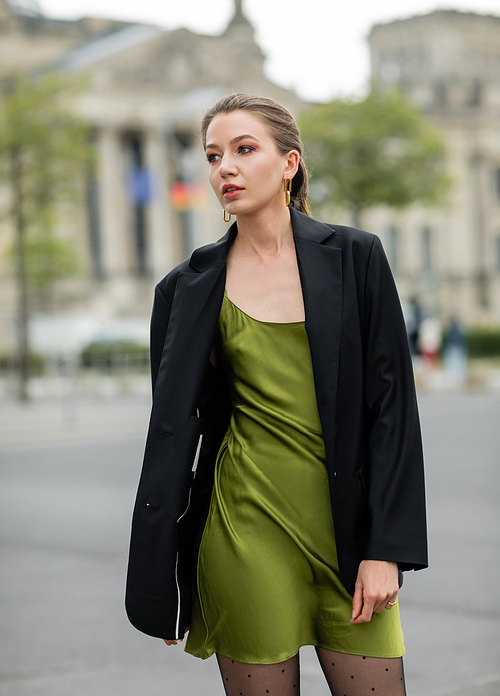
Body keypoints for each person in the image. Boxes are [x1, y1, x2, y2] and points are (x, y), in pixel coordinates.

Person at [125, 93, 427, 696]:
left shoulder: (356, 258)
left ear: (289, 163)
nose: (224, 169)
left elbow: (392, 412)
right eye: (212, 156)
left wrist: (386, 549)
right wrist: (165, 573)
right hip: (245, 530)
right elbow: (173, 435)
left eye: (243, 150)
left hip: (348, 535)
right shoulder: (184, 290)